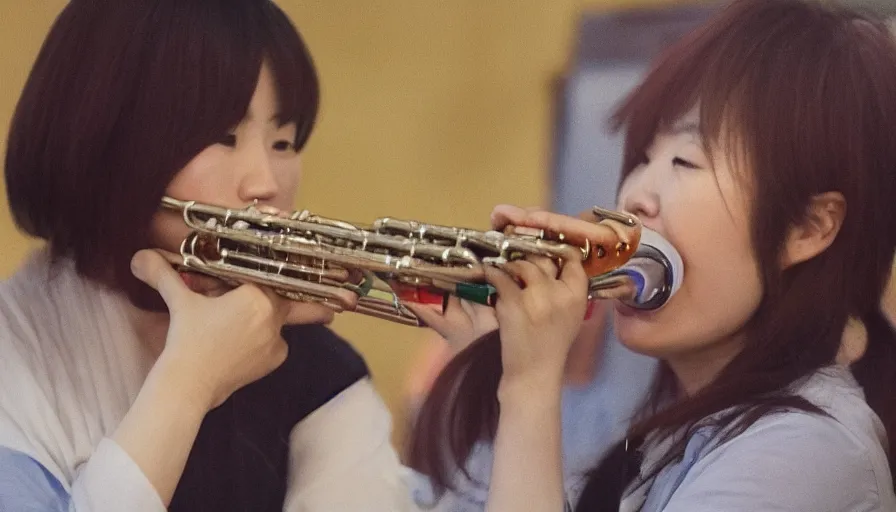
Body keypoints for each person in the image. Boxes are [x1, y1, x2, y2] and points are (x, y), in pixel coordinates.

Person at [406, 0, 896, 510]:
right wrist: (490, 373)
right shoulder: (669, 436)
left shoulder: (804, 454)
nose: (635, 196)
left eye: (685, 160)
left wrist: (530, 389)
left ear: (807, 228)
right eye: (643, 157)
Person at [0, 1, 414, 511]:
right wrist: (191, 379)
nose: (264, 183)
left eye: (283, 142)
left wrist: (525, 388)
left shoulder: (318, 373)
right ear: (105, 139)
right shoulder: (16, 350)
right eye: (224, 137)